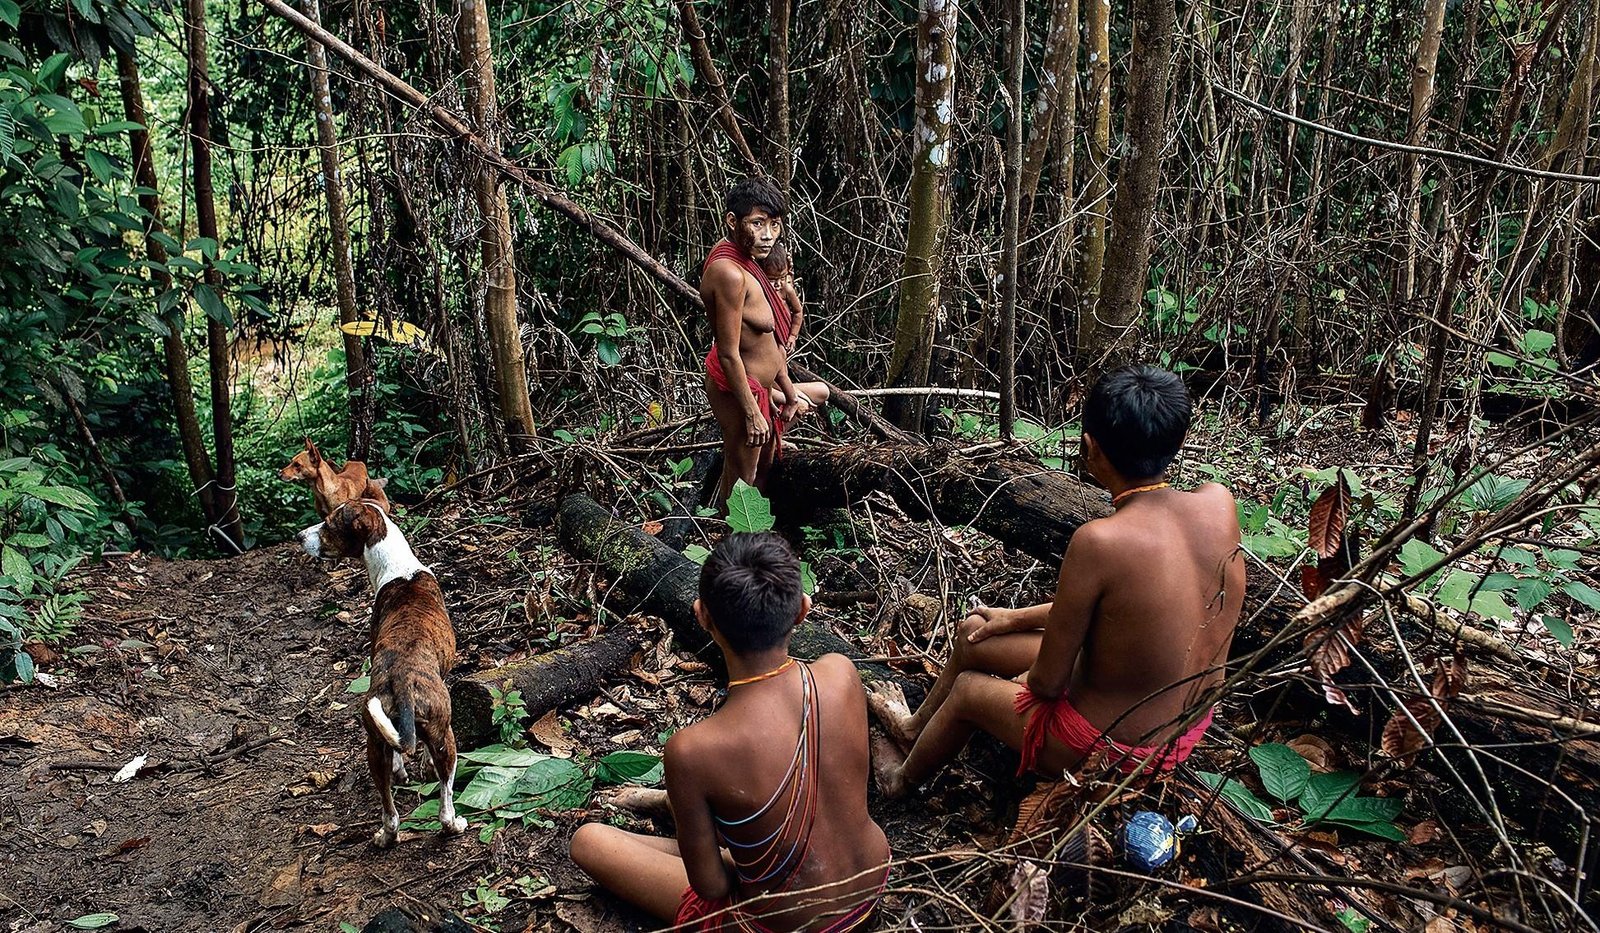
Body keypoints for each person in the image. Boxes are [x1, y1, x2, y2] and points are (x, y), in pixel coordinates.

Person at [866, 366, 1244, 795]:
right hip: (1180, 723)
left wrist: (1015, 683)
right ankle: (915, 728)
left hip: (1116, 749)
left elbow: (1047, 682)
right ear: (1176, 441)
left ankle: (901, 781)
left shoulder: (1099, 542)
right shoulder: (1219, 503)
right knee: (976, 634)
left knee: (970, 692)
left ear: (1091, 447)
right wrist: (1013, 619)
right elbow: (1130, 612)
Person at [570, 533, 892, 932]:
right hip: (869, 891)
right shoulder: (841, 673)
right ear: (802, 610)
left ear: (702, 616)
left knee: (589, 840)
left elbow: (710, 886)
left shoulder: (692, 750)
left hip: (785, 923)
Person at [702, 178, 801, 508]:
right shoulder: (729, 273)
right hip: (742, 389)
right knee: (746, 478)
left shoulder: (747, 259)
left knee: (756, 470)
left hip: (759, 387)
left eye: (774, 225)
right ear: (733, 221)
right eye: (757, 223)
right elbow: (729, 352)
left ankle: (740, 543)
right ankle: (737, 550)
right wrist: (751, 413)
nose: (768, 235)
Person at [759, 241, 831, 422]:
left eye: (781, 279)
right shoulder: (757, 291)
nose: (776, 284)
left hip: (781, 343)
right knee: (773, 382)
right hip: (766, 350)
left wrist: (793, 336)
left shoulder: (786, 289)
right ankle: (790, 401)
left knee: (782, 369)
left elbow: (798, 312)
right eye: (771, 280)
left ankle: (782, 426)